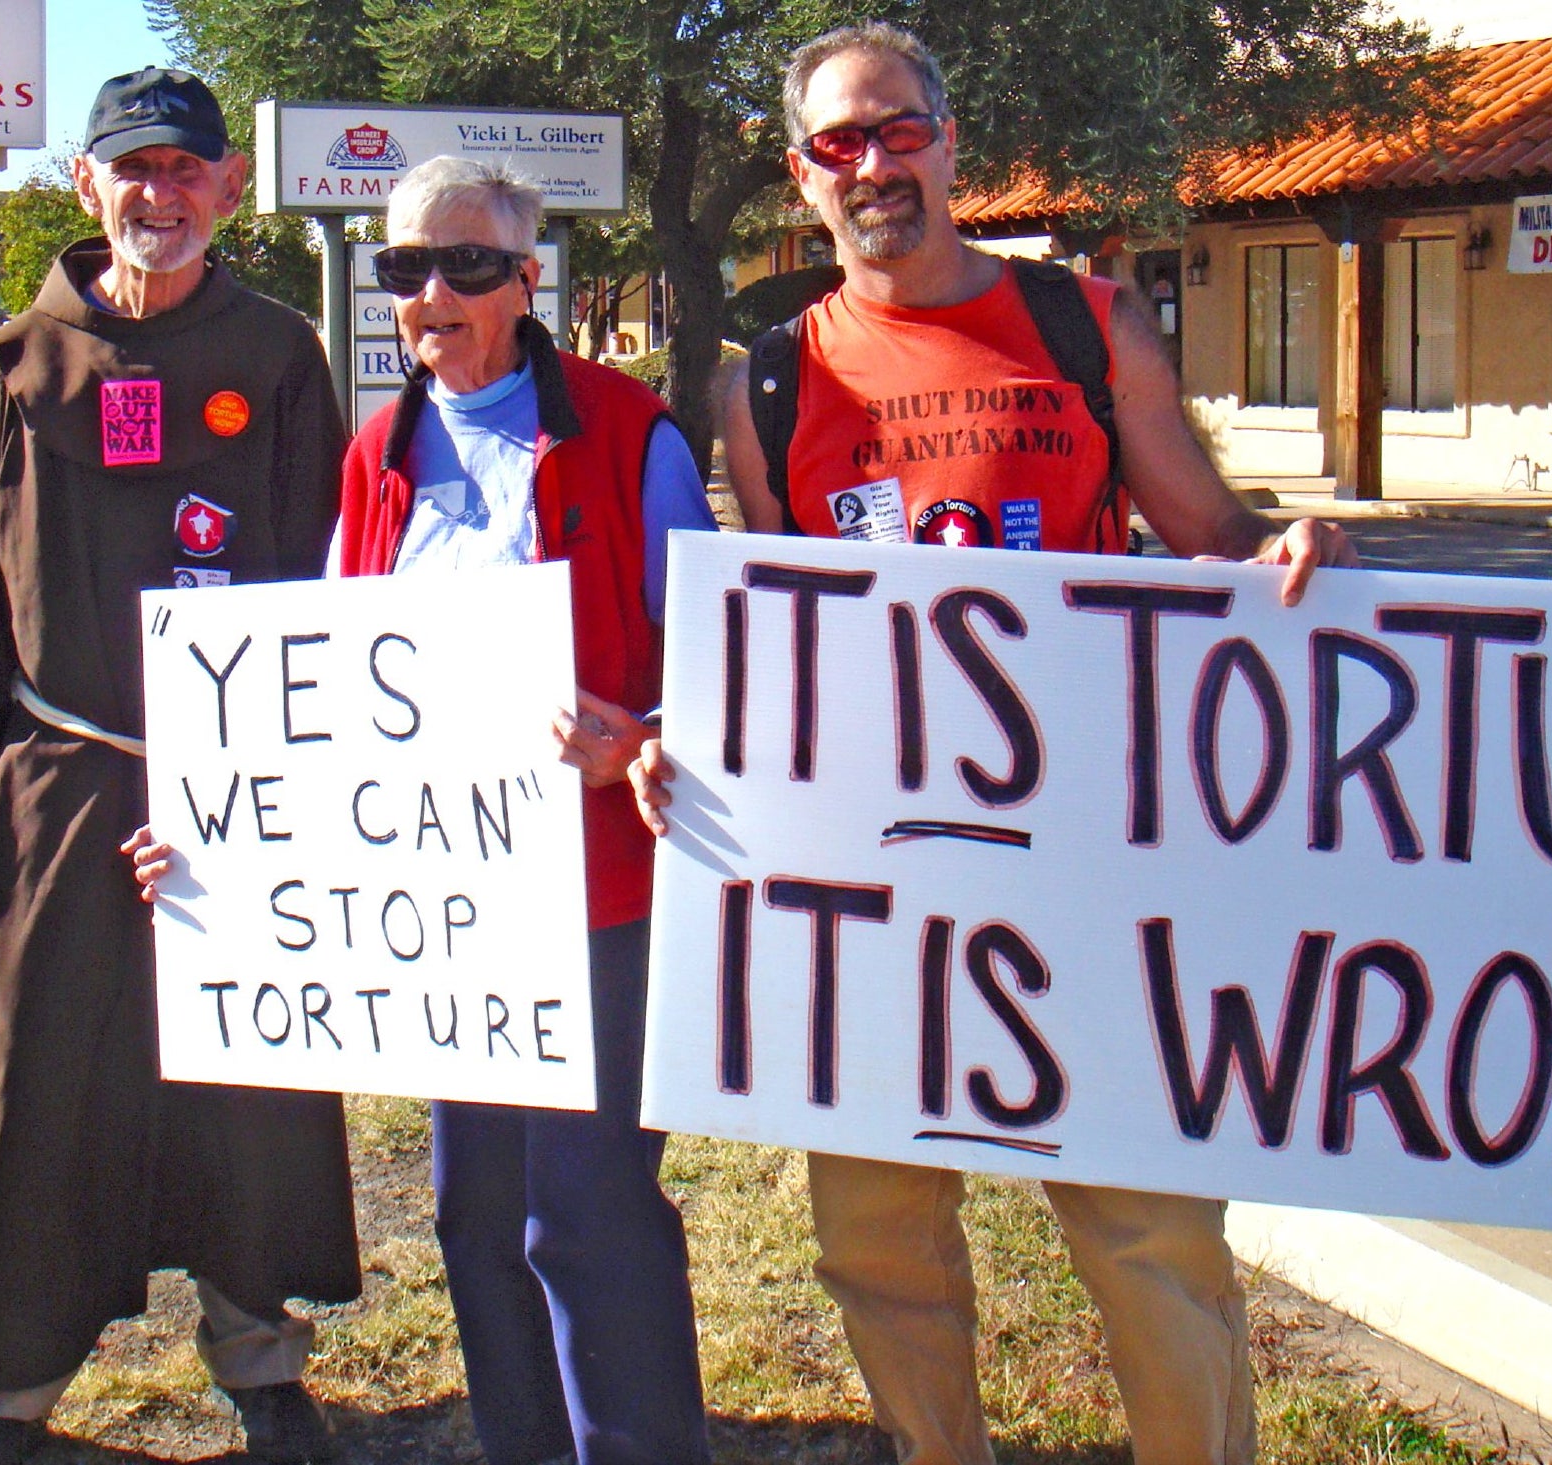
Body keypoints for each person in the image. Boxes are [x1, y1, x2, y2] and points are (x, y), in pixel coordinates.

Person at [631, 22, 1359, 1465]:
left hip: (1087, 854)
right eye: (838, 142)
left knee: (1148, 1231)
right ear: (800, 172)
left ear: (948, 142)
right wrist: (686, 737)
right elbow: (776, 640)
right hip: (876, 876)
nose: (873, 165)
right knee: (874, 1233)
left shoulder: (1087, 325)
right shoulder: (766, 382)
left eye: (897, 130)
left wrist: (1282, 553)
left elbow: (1205, 537)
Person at [137, 153, 717, 1465]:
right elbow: (334, 680)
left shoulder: (634, 436)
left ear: (524, 280)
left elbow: (726, 673)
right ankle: (521, 1441)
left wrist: (642, 739)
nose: (433, 294)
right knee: (474, 1211)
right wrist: (218, 825)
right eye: (406, 270)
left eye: (465, 267)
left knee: (584, 1208)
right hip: (456, 908)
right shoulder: (376, 450)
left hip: (601, 892)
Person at [0, 68, 359, 1465]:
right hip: (63, 774)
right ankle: (8, 1391)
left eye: (186, 171)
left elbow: (324, 587)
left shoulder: (278, 353)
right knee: (40, 1079)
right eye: (132, 171)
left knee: (250, 1078)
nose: (159, 196)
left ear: (226, 189)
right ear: (87, 186)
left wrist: (315, 791)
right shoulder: (17, 359)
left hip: (239, 784)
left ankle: (260, 1359)